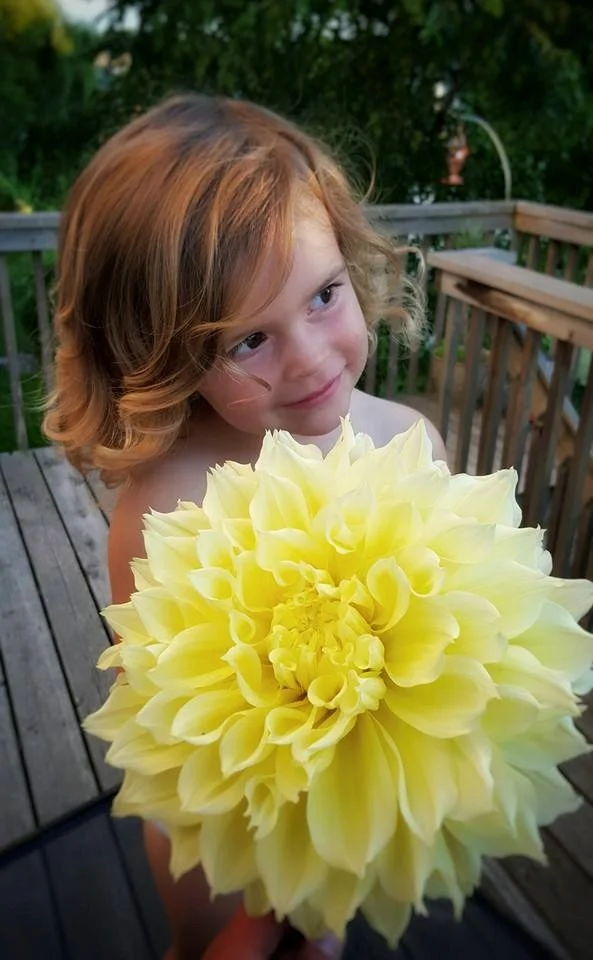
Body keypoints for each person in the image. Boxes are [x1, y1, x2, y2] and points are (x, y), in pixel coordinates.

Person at [44, 93, 447, 959]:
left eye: (324, 295)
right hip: (218, 832)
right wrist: (261, 907)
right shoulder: (164, 507)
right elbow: (157, 715)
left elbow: (456, 620)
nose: (307, 357)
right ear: (159, 354)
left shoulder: (409, 443)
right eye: (245, 341)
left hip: (360, 795)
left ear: (351, 260)